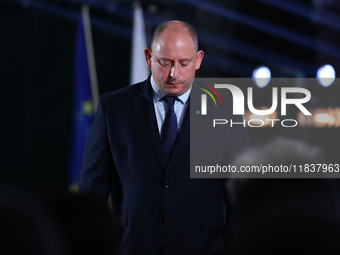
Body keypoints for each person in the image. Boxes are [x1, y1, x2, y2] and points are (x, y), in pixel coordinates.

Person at [80, 20, 249, 255]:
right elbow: (92, 191)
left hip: (204, 248)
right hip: (132, 246)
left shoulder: (225, 109)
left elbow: (240, 193)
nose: (174, 74)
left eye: (184, 63)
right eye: (165, 62)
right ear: (149, 57)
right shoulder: (114, 107)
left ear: (198, 60)